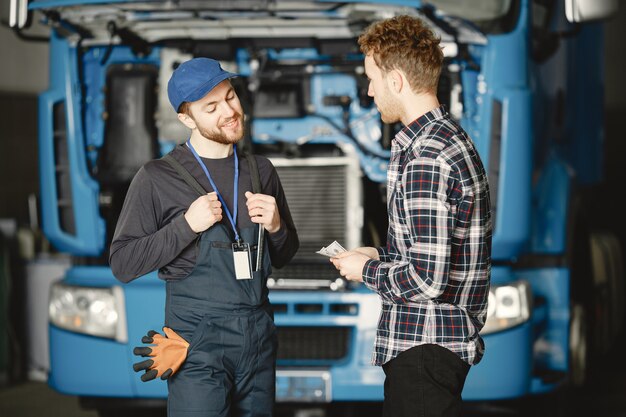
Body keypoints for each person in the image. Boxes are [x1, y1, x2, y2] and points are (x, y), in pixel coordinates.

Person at [109, 57, 299, 417]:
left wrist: (276, 228)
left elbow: (285, 254)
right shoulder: (157, 178)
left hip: (257, 340)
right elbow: (123, 263)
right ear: (186, 119)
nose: (228, 111)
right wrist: (186, 225)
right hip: (196, 346)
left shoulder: (261, 171)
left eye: (230, 97)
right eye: (211, 107)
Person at [330, 15, 492, 417]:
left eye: (372, 78)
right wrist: (379, 257)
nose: (369, 91)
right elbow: (429, 252)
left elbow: (427, 279)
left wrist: (363, 272)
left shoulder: (427, 159)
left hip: (424, 348)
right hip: (433, 347)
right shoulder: (447, 141)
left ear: (397, 80)